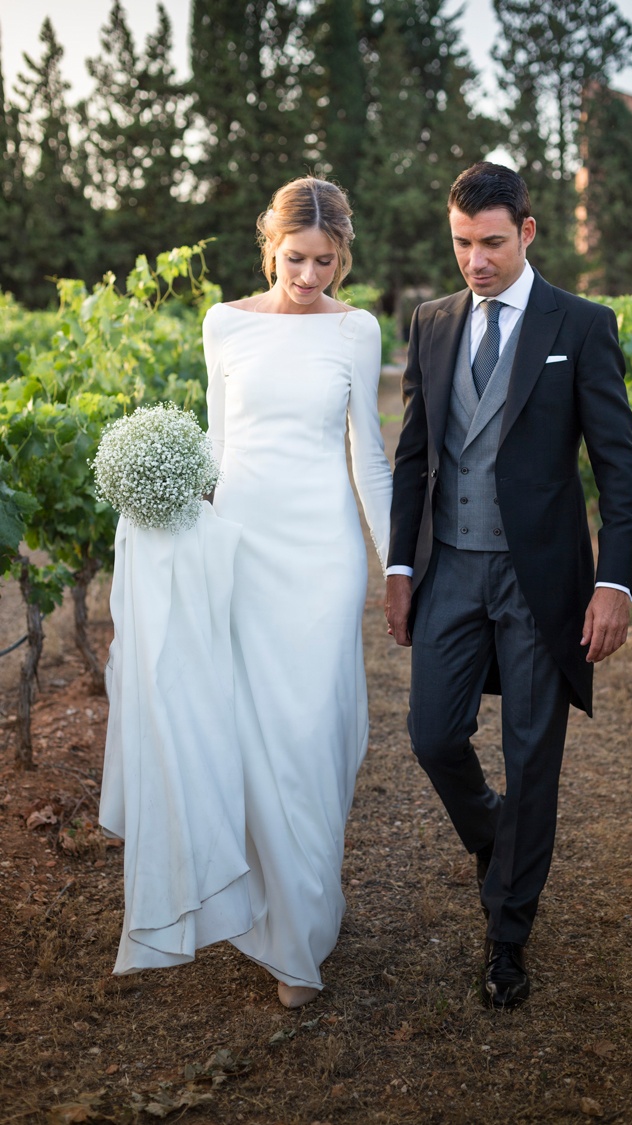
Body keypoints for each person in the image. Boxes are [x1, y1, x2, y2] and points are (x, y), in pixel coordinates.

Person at [100, 176, 392, 1010]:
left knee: (311, 734)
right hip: (245, 547)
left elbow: (368, 456)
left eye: (326, 262)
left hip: (324, 553)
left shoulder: (357, 329)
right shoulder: (223, 323)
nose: (309, 278)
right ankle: (285, 934)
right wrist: (170, 524)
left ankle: (305, 914)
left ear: (343, 257)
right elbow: (218, 448)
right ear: (271, 247)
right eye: (296, 259)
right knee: (251, 728)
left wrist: (397, 564)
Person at [385, 162, 632, 1009]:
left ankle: (506, 935)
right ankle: (496, 836)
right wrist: (398, 566)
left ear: (527, 232)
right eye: (461, 243)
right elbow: (415, 455)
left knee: (534, 758)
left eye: (491, 242)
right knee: (431, 736)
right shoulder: (429, 324)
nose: (475, 260)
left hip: (542, 579)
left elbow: (618, 466)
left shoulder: (583, 324)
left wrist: (615, 580)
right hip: (452, 566)